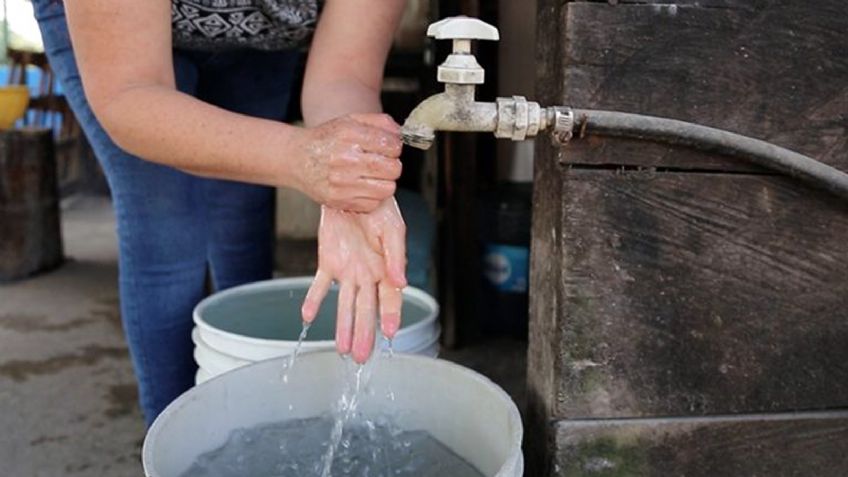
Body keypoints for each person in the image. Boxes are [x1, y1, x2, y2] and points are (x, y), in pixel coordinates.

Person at [33, 0, 409, 426]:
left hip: (260, 34)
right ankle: (175, 440)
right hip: (120, 40)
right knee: (166, 223)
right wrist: (301, 157)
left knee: (243, 207)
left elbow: (345, 76)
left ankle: (251, 422)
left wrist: (358, 179)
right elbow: (129, 92)